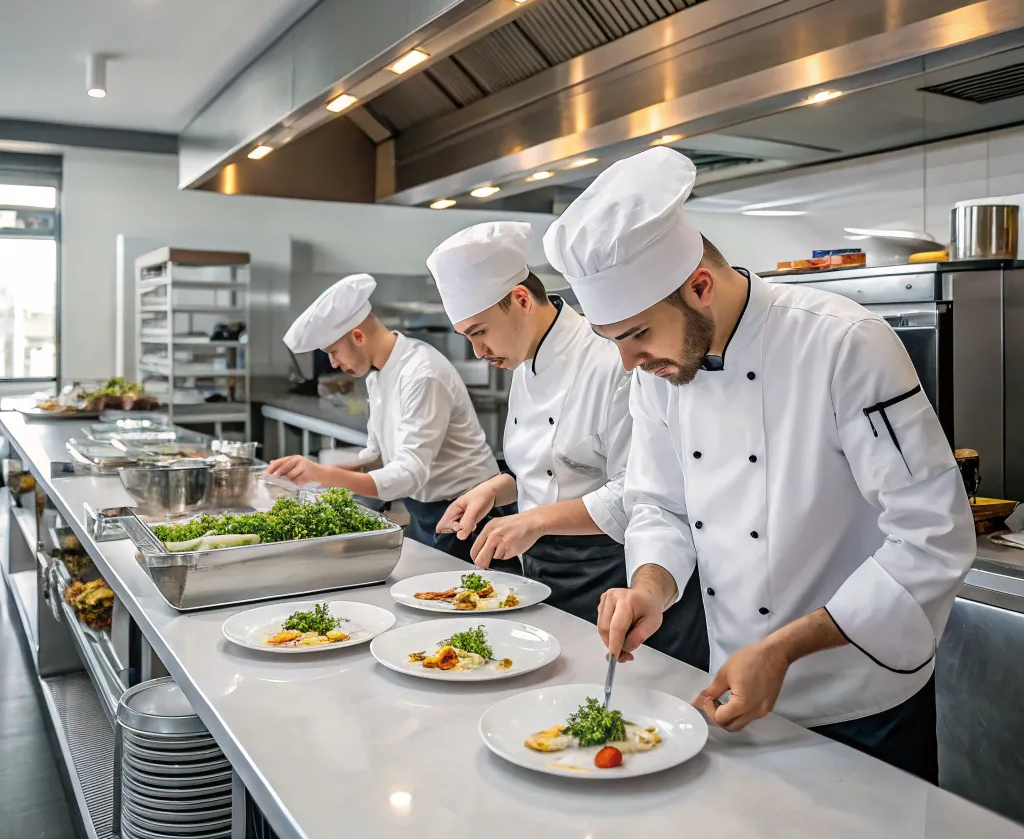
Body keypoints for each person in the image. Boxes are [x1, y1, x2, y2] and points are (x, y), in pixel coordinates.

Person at [542, 146, 976, 781]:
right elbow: (660, 505)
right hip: (734, 685)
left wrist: (782, 648)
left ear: (699, 286)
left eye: (636, 334)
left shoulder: (845, 344)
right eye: (614, 343)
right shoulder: (659, 371)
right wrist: (650, 587)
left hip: (859, 694)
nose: (628, 363)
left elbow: (934, 536)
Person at [427, 221, 709, 669]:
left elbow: (636, 491)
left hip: (612, 572)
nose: (477, 351)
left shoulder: (613, 362)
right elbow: (549, 468)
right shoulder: (523, 360)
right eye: (468, 337)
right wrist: (495, 490)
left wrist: (534, 520)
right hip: (542, 566)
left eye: (479, 332)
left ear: (521, 300)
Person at [268, 273, 506, 563]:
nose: (332, 363)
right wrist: (310, 474)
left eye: (333, 352)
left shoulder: (422, 373)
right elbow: (379, 458)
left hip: (470, 515)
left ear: (358, 336)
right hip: (425, 512)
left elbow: (409, 473)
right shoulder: (378, 375)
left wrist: (324, 475)